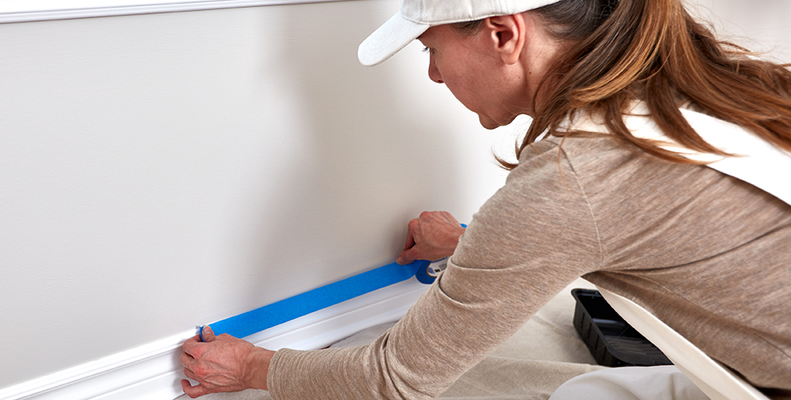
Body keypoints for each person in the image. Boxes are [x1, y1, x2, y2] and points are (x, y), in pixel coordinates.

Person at [179, 0, 791, 398]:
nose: (434, 76)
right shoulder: (704, 83)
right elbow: (653, 223)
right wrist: (478, 246)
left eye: (432, 48)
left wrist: (255, 368)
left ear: (503, 35)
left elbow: (394, 378)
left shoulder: (573, 178)